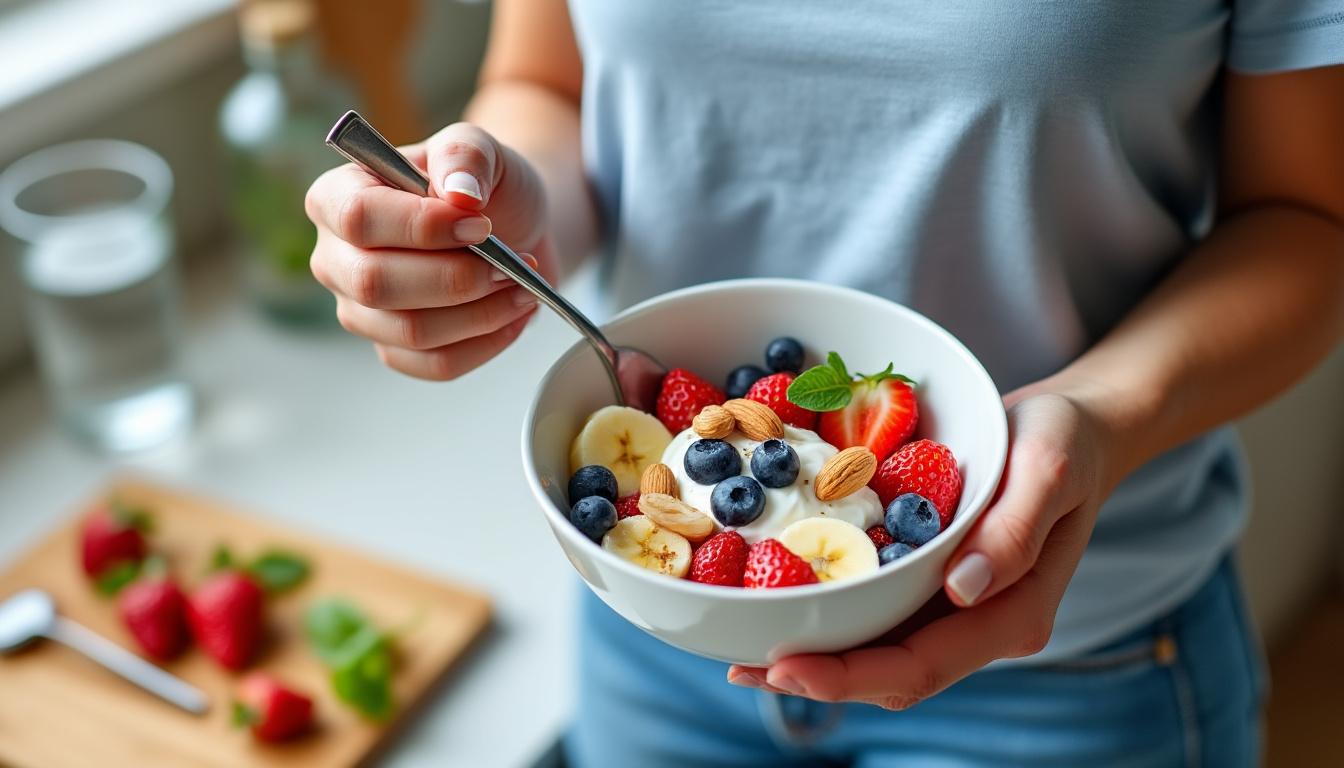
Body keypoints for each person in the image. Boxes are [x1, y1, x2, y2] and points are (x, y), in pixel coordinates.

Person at [306, 1, 1344, 765]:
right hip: (668, 642)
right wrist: (504, 214)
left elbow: (1309, 220)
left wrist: (1105, 418)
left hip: (1067, 671)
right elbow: (550, 84)